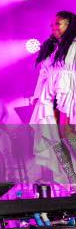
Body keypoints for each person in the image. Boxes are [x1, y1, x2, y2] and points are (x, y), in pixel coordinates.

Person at [30, 10, 76, 192]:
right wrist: (37, 97)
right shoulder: (52, 48)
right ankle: (72, 180)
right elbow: (43, 74)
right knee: (55, 141)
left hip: (69, 97)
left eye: (59, 23)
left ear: (70, 25)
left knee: (70, 137)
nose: (54, 27)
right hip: (50, 100)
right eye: (52, 25)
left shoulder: (74, 46)